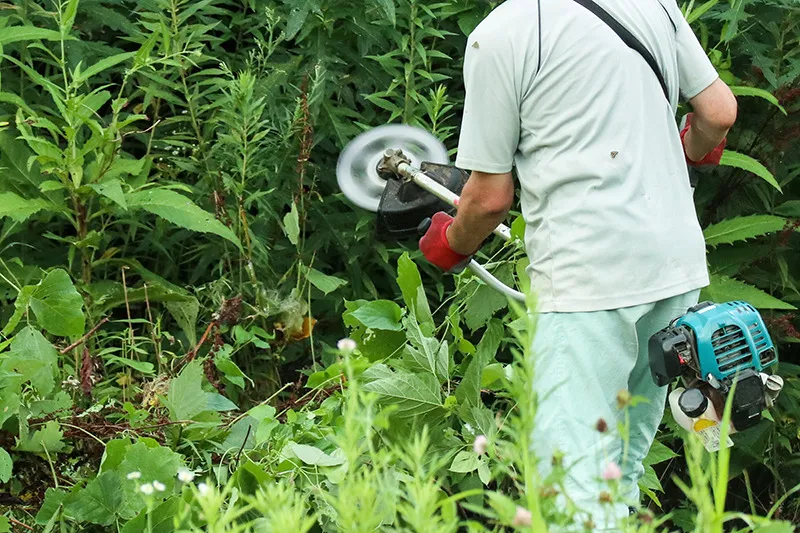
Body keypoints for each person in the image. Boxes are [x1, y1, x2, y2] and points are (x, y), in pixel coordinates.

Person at [419, 0, 737, 529]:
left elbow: (490, 198)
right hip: (674, 269)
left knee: (570, 483)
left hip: (590, 284)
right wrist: (691, 152)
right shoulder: (651, 2)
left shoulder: (502, 34)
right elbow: (718, 113)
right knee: (620, 469)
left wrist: (451, 241)